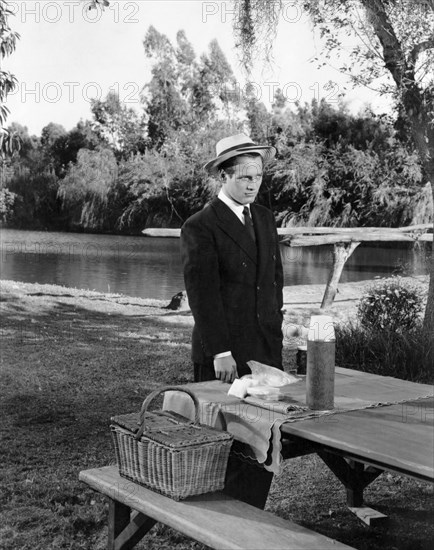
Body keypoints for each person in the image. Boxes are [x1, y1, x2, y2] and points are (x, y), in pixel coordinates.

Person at [180, 133, 284, 508]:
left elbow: (275, 281)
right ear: (223, 176)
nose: (252, 183)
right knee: (226, 438)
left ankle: (252, 519)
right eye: (243, 176)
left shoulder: (266, 219)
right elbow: (203, 296)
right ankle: (218, 524)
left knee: (263, 439)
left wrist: (278, 329)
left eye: (257, 175)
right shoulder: (200, 225)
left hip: (265, 349)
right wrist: (220, 351)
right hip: (224, 354)